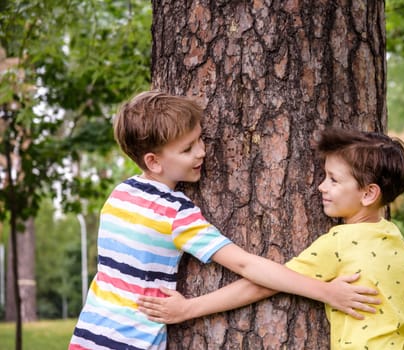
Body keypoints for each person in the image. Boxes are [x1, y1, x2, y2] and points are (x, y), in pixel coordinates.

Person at [68, 91, 381, 350]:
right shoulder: (175, 212)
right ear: (154, 161)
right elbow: (246, 265)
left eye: (200, 140)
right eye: (188, 148)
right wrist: (326, 292)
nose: (202, 151)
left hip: (86, 336)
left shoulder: (120, 194)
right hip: (129, 343)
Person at [137, 128, 404, 349]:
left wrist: (188, 308)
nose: (321, 186)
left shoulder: (343, 241)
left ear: (368, 194)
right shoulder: (393, 237)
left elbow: (262, 285)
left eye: (333, 179)